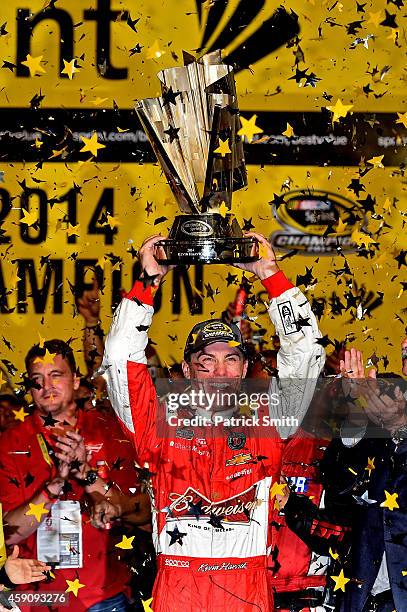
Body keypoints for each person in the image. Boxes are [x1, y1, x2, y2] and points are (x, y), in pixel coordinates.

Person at [101, 231, 325, 611]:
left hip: (248, 587)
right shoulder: (159, 425)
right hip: (178, 586)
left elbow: (305, 354)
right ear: (187, 369)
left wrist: (270, 274)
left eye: (231, 359)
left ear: (244, 368)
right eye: (207, 360)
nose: (220, 371)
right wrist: (148, 280)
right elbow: (121, 359)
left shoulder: (270, 422)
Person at [0, 339, 151, 612]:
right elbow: (8, 534)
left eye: (56, 375)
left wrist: (87, 474)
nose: (47, 387)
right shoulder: (11, 443)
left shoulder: (108, 430)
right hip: (41, 598)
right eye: (37, 380)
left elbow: (143, 513)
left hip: (107, 594)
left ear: (77, 379)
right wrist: (54, 485)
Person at [319, 348, 407, 612]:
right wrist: (356, 413)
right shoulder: (382, 413)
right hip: (362, 595)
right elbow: (336, 485)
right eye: (404, 351)